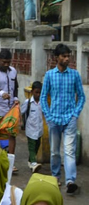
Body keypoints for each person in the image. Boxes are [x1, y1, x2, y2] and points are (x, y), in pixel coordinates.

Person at [41, 43, 85, 195]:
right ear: (56, 58)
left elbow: (81, 97)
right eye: (64, 56)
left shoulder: (75, 75)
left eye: (68, 56)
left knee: (69, 151)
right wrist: (48, 116)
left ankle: (70, 181)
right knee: (54, 151)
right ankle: (55, 176)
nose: (67, 59)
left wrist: (75, 114)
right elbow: (43, 97)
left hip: (69, 119)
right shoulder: (49, 75)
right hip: (54, 119)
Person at [0, 49, 20, 168]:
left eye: (8, 62)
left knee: (12, 135)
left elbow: (15, 86)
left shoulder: (13, 72)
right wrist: (1, 93)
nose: (6, 65)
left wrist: (15, 97)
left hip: (11, 109)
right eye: (4, 62)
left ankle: (10, 162)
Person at [20, 81, 43, 173]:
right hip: (30, 128)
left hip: (39, 129)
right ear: (32, 92)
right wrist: (21, 122)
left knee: (37, 146)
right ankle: (34, 163)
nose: (38, 94)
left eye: (40, 92)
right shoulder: (28, 102)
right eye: (36, 92)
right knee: (32, 146)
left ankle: (30, 160)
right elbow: (21, 112)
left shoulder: (42, 102)